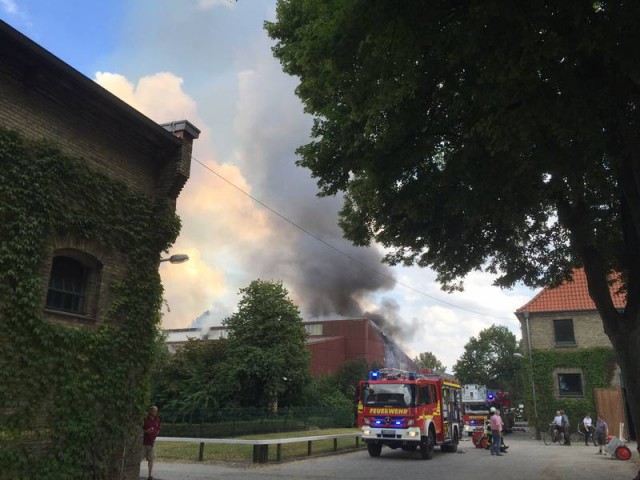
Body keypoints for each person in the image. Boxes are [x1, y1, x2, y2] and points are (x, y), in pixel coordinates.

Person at [143, 405, 161, 480]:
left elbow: (159, 428)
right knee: (139, 459)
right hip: (143, 442)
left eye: (156, 411)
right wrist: (146, 431)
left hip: (152, 442)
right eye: (154, 411)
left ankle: (149, 475)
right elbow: (140, 430)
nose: (155, 412)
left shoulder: (157, 420)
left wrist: (156, 433)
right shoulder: (145, 419)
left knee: (151, 459)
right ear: (150, 411)